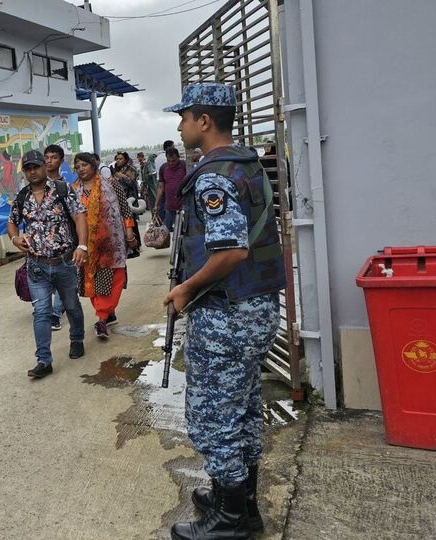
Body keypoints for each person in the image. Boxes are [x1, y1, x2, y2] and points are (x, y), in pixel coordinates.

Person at [162, 83, 287, 540]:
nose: (180, 126)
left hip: (227, 315)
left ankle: (228, 520)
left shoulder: (214, 176)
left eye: (185, 117)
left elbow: (231, 251)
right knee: (244, 407)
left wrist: (185, 288)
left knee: (215, 415)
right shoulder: (247, 163)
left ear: (204, 121)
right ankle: (239, 502)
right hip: (255, 308)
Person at [7, 150, 88, 379]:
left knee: (71, 305)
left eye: (36, 167)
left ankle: (77, 338)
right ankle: (44, 360)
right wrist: (15, 238)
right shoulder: (22, 196)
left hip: (64, 262)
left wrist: (82, 246)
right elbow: (12, 223)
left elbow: (80, 216)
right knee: (41, 312)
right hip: (36, 266)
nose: (32, 172)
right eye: (28, 169)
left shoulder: (62, 190)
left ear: (45, 167)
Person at [72, 153, 137, 340]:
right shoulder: (73, 190)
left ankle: (101, 319)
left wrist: (129, 232)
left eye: (85, 164)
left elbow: (124, 208)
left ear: (93, 166)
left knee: (112, 281)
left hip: (111, 244)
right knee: (92, 283)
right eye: (78, 166)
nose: (81, 169)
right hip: (86, 246)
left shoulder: (111, 184)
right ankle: (108, 313)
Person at [44, 144, 81, 332]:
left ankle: (56, 314)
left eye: (53, 157)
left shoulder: (65, 187)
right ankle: (50, 311)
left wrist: (81, 244)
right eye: (47, 157)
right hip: (42, 247)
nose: (49, 161)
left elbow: (78, 215)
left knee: (63, 283)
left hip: (65, 244)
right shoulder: (34, 187)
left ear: (61, 161)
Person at [111, 151, 142, 258]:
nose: (118, 161)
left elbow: (133, 184)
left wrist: (122, 177)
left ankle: (136, 247)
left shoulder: (131, 169)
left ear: (125, 160)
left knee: (132, 223)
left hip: (130, 199)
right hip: (118, 200)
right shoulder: (115, 170)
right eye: (117, 159)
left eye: (121, 159)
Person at [155, 147, 187, 231]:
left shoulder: (184, 165)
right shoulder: (163, 168)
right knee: (166, 230)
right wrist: (156, 204)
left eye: (174, 161)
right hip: (169, 205)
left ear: (178, 158)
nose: (171, 163)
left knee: (182, 230)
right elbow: (161, 187)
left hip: (183, 205)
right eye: (168, 161)